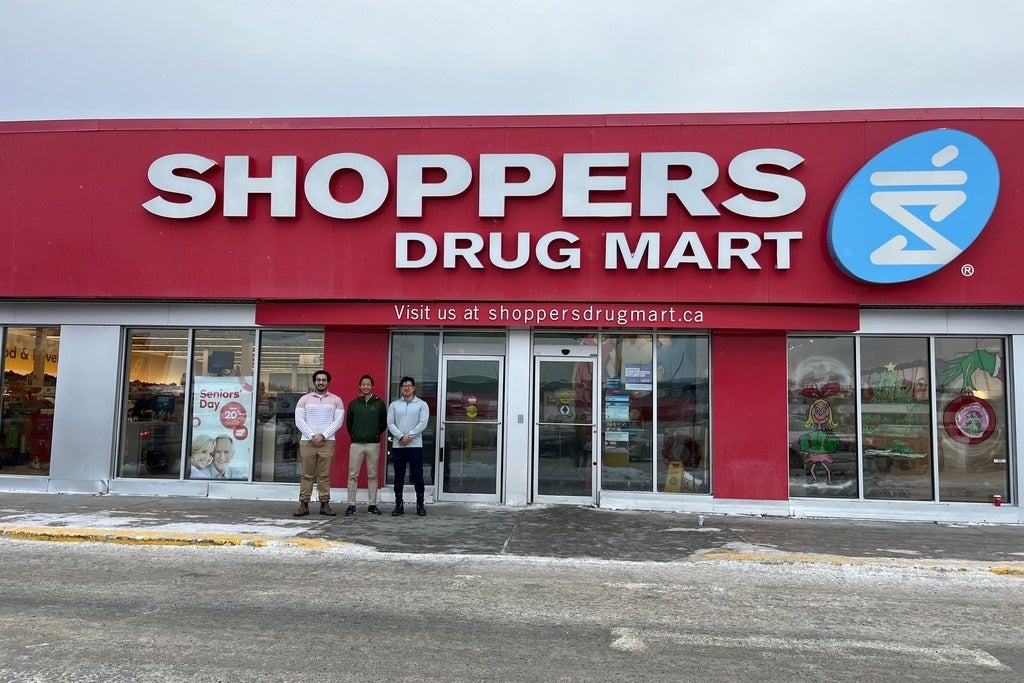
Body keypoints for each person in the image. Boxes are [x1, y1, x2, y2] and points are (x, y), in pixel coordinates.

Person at [293, 369, 345, 517]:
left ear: (328, 382)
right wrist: (311, 435)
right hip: (307, 442)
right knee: (306, 475)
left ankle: (325, 504)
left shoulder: (336, 400)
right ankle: (304, 504)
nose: (321, 382)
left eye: (324, 380)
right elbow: (299, 420)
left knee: (324, 475)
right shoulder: (304, 400)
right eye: (318, 380)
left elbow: (338, 421)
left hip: (327, 442)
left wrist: (323, 435)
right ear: (314, 382)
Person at [345, 374, 388, 516]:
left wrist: (374, 434)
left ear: (372, 386)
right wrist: (355, 435)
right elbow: (349, 424)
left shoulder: (379, 403)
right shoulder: (353, 404)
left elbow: (383, 424)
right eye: (363, 384)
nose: (366, 386)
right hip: (356, 444)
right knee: (353, 475)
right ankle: (351, 505)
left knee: (373, 475)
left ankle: (372, 505)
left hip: (373, 444)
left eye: (368, 384)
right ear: (359, 386)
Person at [387, 376, 430, 517]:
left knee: (418, 476)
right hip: (398, 446)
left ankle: (420, 505)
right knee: (398, 476)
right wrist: (400, 436)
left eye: (409, 385)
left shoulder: (422, 404)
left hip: (415, 446)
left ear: (414, 388)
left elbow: (422, 423)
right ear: (401, 388)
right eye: (404, 385)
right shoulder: (394, 405)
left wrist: (409, 436)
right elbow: (390, 423)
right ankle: (399, 505)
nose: (407, 388)